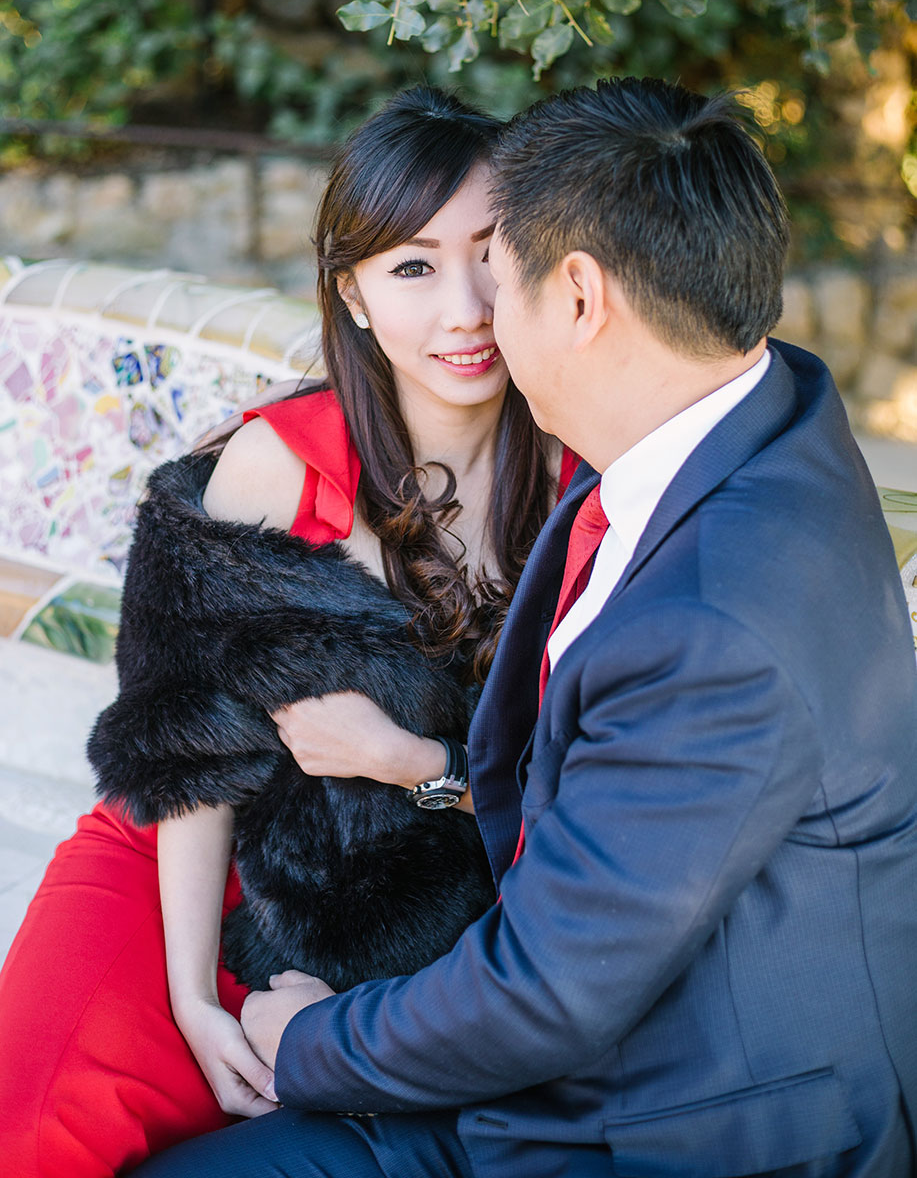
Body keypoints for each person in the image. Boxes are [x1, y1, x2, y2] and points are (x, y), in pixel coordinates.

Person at [137, 77, 917, 1178]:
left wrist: (306, 1038)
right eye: (418, 267)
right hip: (589, 1006)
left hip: (679, 1115)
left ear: (582, 297)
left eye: (496, 276)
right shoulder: (761, 412)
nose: (473, 314)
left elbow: (546, 992)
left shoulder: (709, 617)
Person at [0, 86, 576, 1178]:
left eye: (493, 253)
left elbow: (581, 792)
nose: (467, 307)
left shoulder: (583, 478)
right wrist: (190, 993)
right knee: (29, 1135)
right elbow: (190, 758)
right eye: (413, 265)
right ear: (351, 292)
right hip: (187, 862)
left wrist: (415, 768)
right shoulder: (278, 464)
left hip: (410, 904)